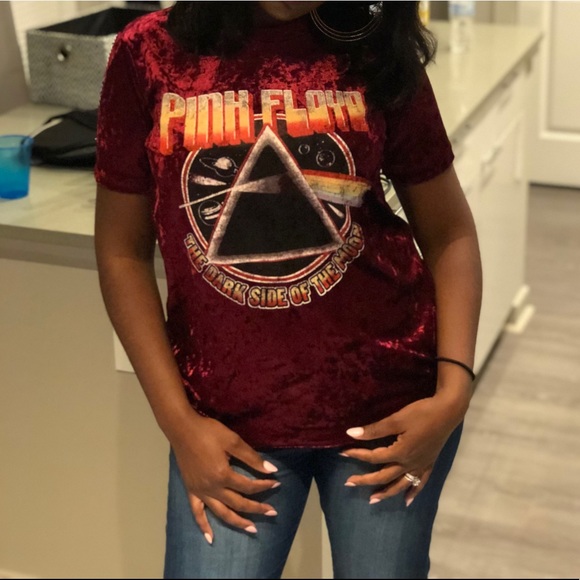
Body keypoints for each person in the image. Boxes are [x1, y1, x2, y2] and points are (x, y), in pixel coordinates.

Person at [94, 2, 482, 578]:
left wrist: (454, 391)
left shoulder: (373, 40)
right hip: (227, 425)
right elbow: (121, 252)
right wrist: (178, 423)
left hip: (390, 409)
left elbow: (450, 234)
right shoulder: (148, 53)